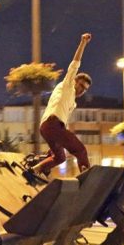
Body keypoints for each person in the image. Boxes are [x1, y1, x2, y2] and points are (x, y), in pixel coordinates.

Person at [23, 33, 93, 182]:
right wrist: (83, 43)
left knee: (60, 157)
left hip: (48, 128)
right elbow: (75, 63)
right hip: (52, 125)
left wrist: (63, 137)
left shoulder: (72, 102)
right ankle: (86, 180)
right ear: (74, 81)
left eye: (84, 89)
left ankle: (34, 170)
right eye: (80, 85)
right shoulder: (67, 85)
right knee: (80, 150)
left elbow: (64, 122)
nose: (81, 89)